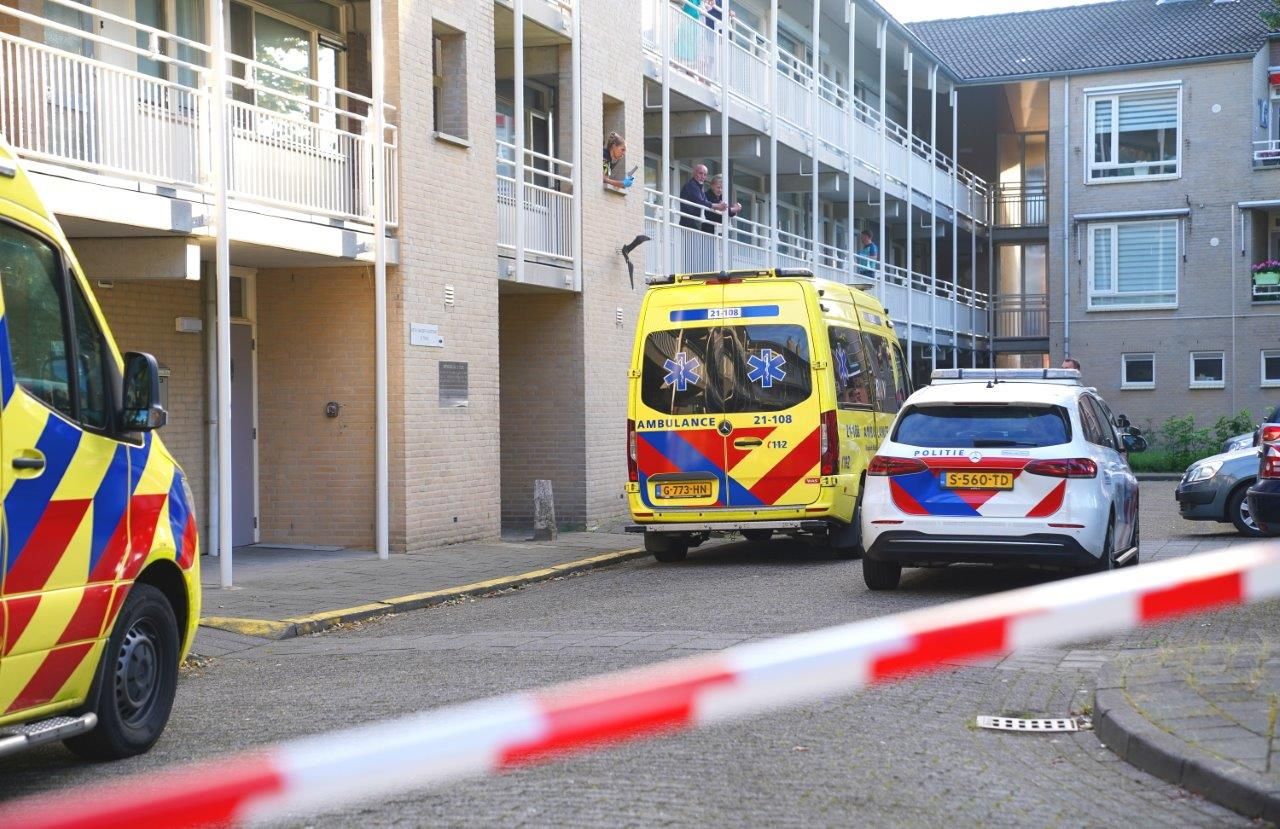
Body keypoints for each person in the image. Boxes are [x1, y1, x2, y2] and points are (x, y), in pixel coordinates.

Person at [680, 164, 724, 229]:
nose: (702, 176)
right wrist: (716, 206)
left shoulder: (699, 187)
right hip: (689, 223)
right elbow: (701, 202)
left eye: (705, 174)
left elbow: (705, 202)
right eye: (700, 173)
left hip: (694, 222)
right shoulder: (692, 185)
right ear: (694, 173)